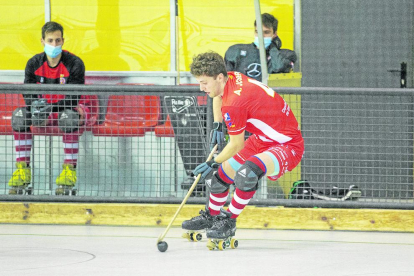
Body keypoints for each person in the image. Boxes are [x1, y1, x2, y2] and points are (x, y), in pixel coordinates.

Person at [182, 52, 304, 240]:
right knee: (219, 176)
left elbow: (236, 144)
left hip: (288, 145)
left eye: (204, 82)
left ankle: (229, 221)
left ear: (219, 77)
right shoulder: (232, 76)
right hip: (262, 139)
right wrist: (217, 124)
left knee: (247, 173)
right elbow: (217, 96)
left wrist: (212, 162)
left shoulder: (235, 105)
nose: (201, 88)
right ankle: (212, 216)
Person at [8, 21, 92, 195]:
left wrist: (49, 108)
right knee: (19, 115)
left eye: (58, 40)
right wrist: (36, 107)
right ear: (42, 41)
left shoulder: (75, 63)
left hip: (70, 109)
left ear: (63, 41)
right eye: (50, 40)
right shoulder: (33, 63)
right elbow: (28, 94)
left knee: (68, 118)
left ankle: (69, 172)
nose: (54, 44)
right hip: (43, 110)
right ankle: (23, 171)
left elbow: (73, 99)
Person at [224, 13, 297, 82]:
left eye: (266, 32)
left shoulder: (285, 54)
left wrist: (273, 46)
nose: (261, 36)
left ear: (274, 34)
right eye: (258, 32)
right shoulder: (236, 50)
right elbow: (226, 80)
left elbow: (278, 67)